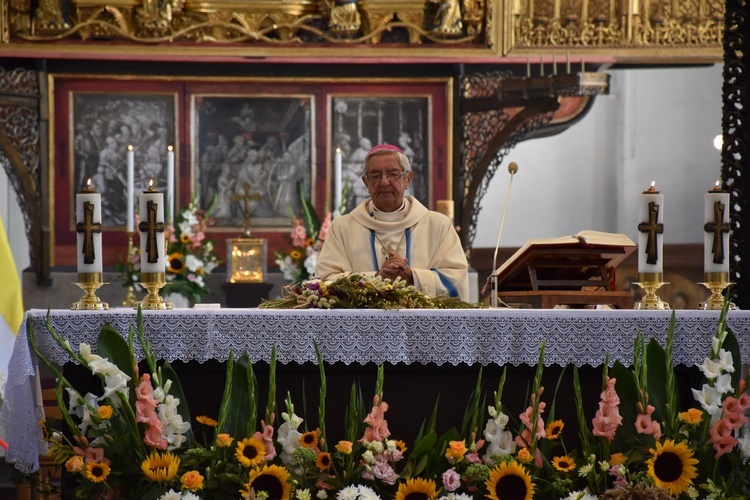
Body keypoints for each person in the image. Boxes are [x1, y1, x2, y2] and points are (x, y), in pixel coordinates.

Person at [315, 144, 469, 300]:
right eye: (375, 176)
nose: (384, 182)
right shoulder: (342, 228)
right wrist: (376, 278)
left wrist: (412, 277)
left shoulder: (438, 226)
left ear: (407, 179)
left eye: (393, 174)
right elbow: (324, 282)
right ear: (365, 182)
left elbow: (456, 281)